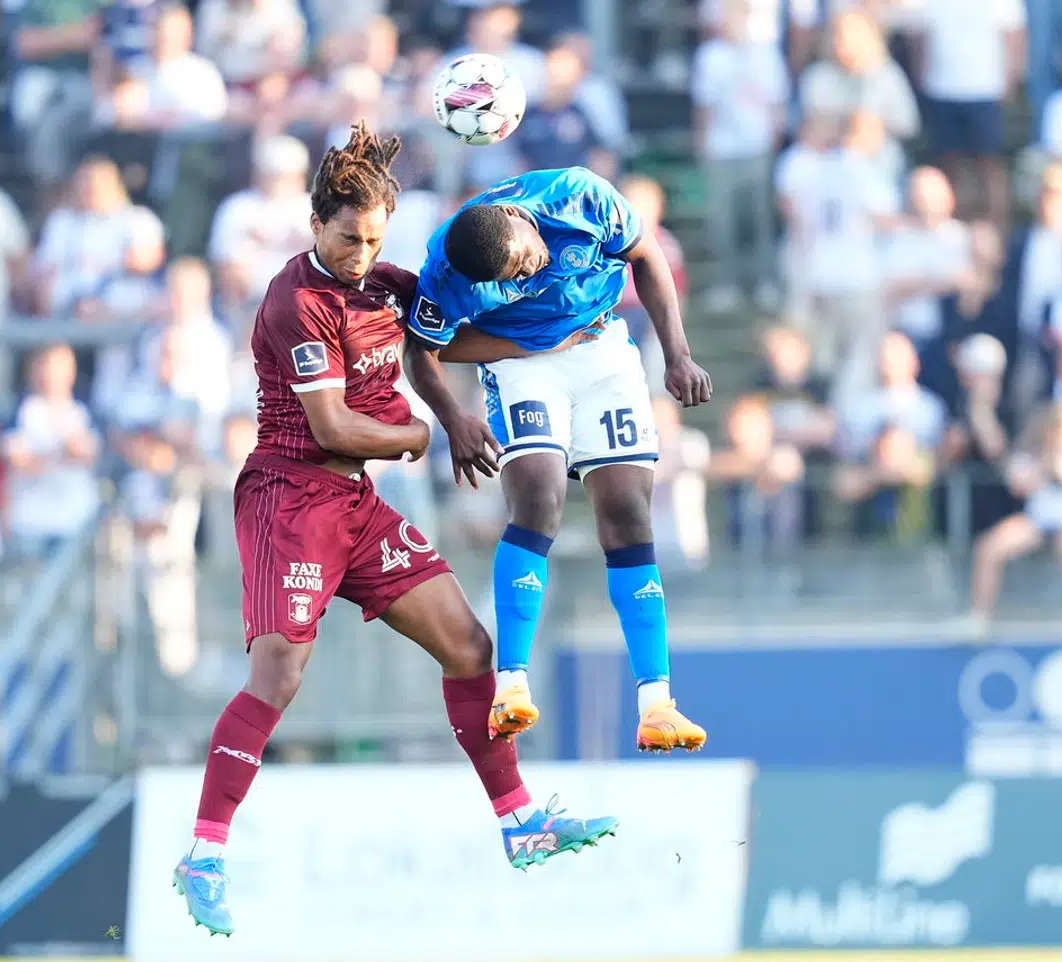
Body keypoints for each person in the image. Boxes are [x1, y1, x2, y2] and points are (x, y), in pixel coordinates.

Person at [173, 125, 616, 938]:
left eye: (374, 237)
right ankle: (203, 853)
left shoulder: (385, 283)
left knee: (472, 651)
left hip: (356, 508)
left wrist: (553, 333)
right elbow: (336, 426)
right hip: (289, 498)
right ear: (316, 224)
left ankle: (521, 825)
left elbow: (443, 339)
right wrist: (421, 433)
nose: (360, 252)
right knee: (279, 677)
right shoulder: (294, 301)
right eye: (348, 237)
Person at [402, 166, 714, 753]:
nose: (534, 269)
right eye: (517, 276)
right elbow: (423, 349)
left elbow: (646, 258)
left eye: (528, 257)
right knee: (538, 496)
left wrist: (677, 355)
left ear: (522, 220)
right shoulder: (448, 267)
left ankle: (657, 703)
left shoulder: (579, 195)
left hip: (603, 348)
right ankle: (511, 685)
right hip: (524, 364)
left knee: (627, 512)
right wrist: (455, 419)